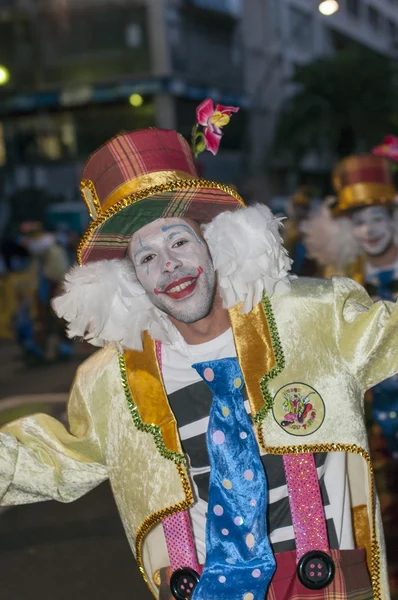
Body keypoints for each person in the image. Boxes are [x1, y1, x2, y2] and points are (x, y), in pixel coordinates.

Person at [0, 128, 396, 600]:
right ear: (131, 280)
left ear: (214, 244)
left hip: (325, 581)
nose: (168, 265)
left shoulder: (313, 317)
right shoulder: (111, 380)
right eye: (147, 256)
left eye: (179, 243)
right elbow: (51, 459)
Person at [302, 154, 398, 460]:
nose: (369, 231)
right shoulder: (341, 281)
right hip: (371, 421)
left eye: (378, 218)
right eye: (359, 222)